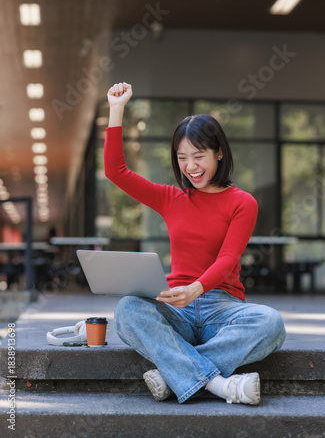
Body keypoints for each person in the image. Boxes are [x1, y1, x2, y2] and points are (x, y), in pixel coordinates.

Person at [105, 82, 286, 405]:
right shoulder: (171, 198)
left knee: (271, 323)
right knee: (128, 309)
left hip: (222, 307)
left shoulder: (242, 203)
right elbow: (115, 171)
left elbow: (228, 259)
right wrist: (116, 109)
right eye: (183, 158)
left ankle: (174, 374)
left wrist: (197, 289)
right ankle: (218, 384)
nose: (190, 167)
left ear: (219, 152)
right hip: (177, 307)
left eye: (199, 156)